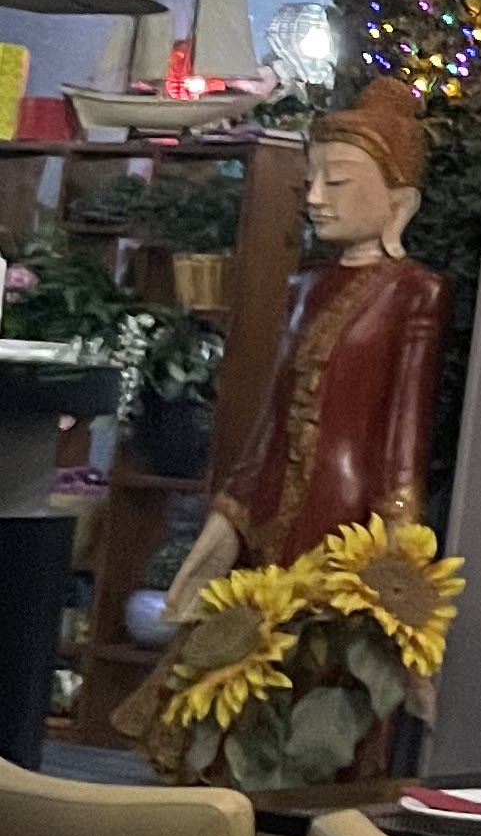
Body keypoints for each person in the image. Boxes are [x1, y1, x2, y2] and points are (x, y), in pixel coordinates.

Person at [162, 76, 448, 619]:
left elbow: (402, 442)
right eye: (312, 181)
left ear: (400, 203)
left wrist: (397, 555)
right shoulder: (304, 284)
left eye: (336, 182)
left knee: (321, 654)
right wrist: (221, 528)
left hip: (349, 515)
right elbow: (269, 427)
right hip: (268, 504)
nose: (315, 198)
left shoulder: (415, 291)